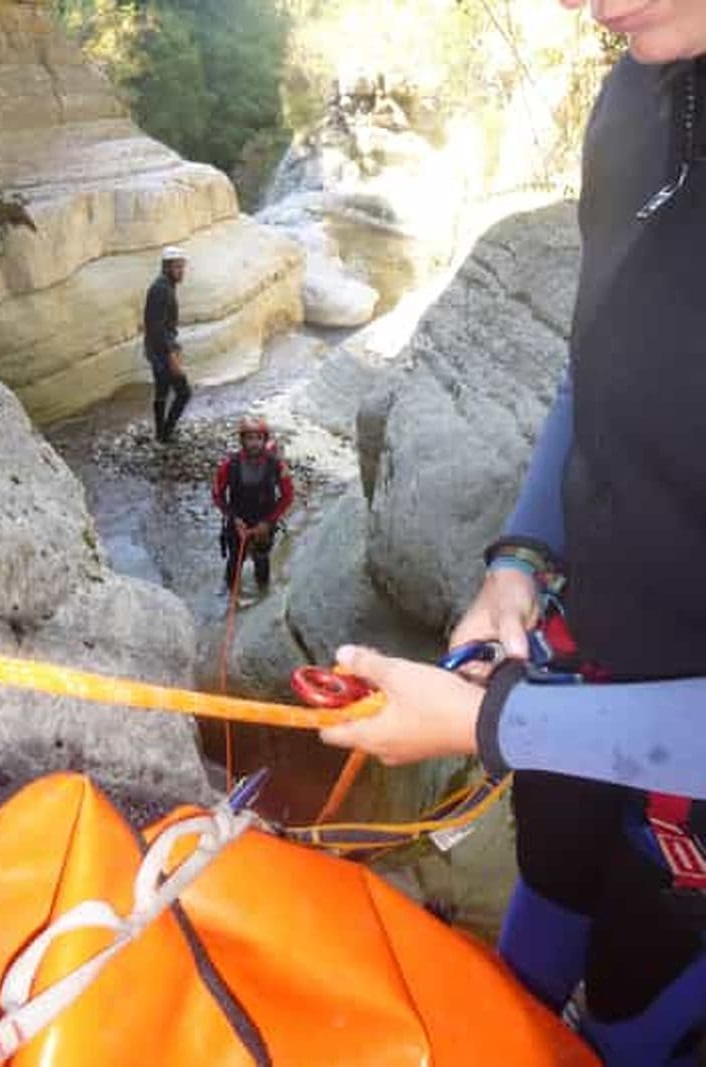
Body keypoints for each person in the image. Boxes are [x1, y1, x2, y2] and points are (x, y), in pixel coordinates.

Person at [320, 3, 706, 1065]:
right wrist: (519, 561)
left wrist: (492, 727)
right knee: (535, 916)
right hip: (575, 667)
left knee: (632, 1000)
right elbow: (601, 361)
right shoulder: (636, 93)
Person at [211, 416, 294, 591]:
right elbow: (217, 495)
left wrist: (269, 522)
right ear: (242, 440)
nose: (254, 443)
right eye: (250, 438)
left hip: (264, 522)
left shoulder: (277, 465)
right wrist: (233, 518)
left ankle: (262, 594)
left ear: (265, 440)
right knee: (235, 561)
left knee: (262, 560)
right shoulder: (229, 465)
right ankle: (230, 594)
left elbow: (287, 496)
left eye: (259, 438)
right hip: (237, 521)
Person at [143, 245, 192, 443]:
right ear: (166, 267)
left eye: (182, 266)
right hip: (161, 351)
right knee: (184, 392)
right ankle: (166, 433)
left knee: (162, 389)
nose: (181, 271)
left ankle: (160, 433)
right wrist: (171, 355)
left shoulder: (165, 285)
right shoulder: (161, 289)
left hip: (157, 349)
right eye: (177, 267)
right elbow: (156, 328)